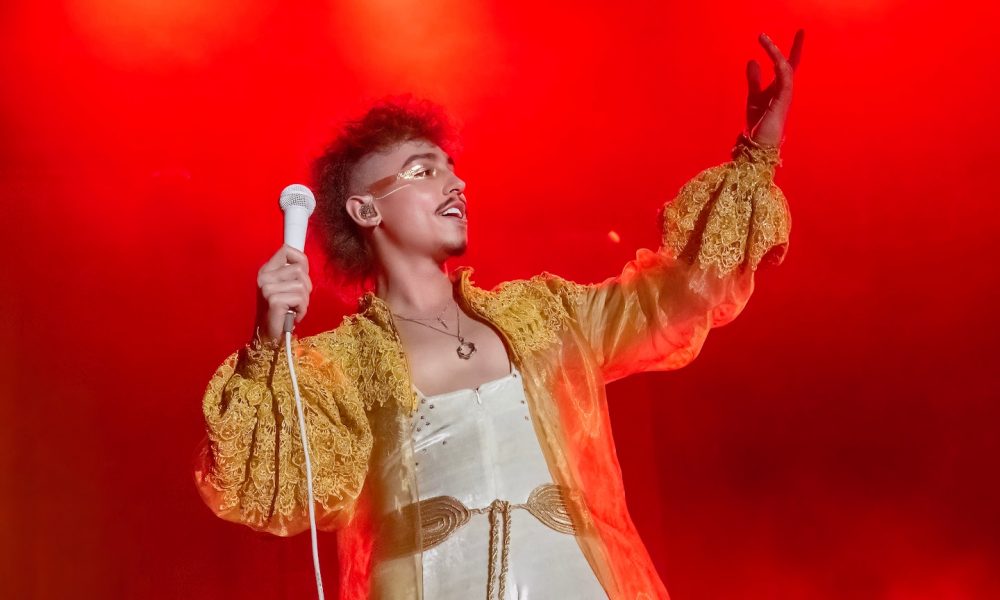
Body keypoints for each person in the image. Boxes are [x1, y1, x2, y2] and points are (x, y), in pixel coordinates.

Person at [194, 30, 804, 600]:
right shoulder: (338, 369)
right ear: (364, 209)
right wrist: (267, 340)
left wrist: (759, 151)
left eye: (452, 169)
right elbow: (263, 488)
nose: (455, 184)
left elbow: (680, 295)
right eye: (424, 171)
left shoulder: (544, 313)